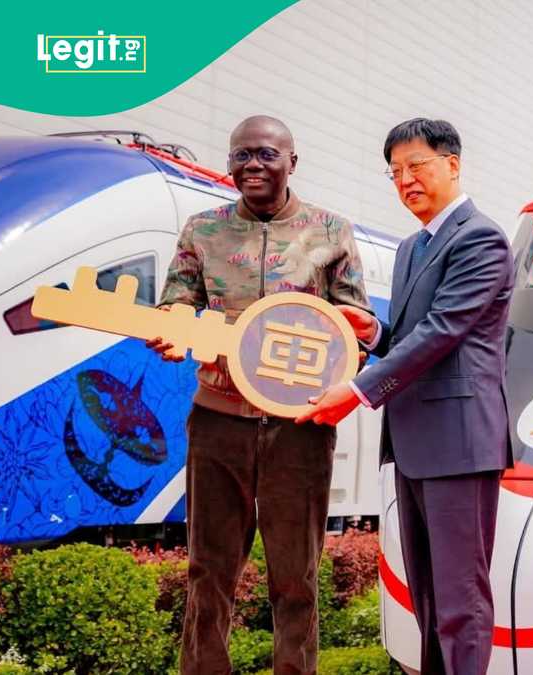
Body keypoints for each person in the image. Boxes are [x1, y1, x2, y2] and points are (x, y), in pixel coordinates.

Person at [148, 115, 371, 675]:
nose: (252, 165)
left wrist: (354, 345)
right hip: (217, 420)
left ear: (292, 162)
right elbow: (177, 300)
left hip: (300, 428)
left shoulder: (331, 231)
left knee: (296, 577)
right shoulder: (203, 230)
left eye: (267, 154)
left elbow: (357, 324)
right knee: (208, 572)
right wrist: (171, 326)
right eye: (241, 155)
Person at [300, 118, 514, 675]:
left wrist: (357, 390)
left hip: (460, 444)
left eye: (416, 165)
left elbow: (443, 331)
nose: (405, 180)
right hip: (416, 442)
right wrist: (374, 333)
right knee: (429, 599)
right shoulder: (411, 248)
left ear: (452, 164)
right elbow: (415, 338)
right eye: (395, 171)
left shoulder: (480, 238)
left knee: (460, 601)